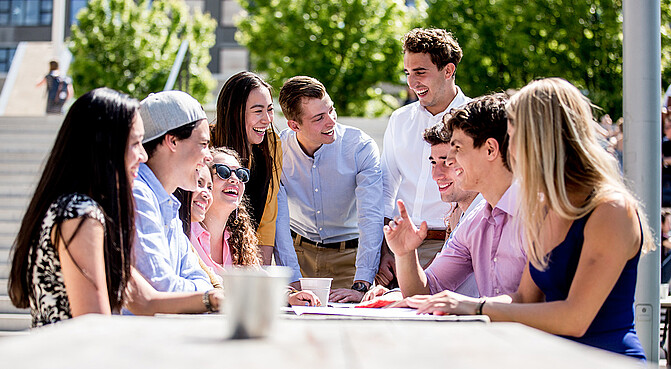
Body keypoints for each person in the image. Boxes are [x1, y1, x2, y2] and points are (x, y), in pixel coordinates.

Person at [410, 78, 653, 361]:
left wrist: (475, 308)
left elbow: (576, 317)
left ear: (543, 138)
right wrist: (448, 304)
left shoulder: (610, 209)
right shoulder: (546, 209)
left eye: (514, 137)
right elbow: (524, 299)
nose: (508, 150)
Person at [8, 88, 221, 327]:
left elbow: (146, 301)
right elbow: (94, 324)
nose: (142, 155)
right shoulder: (80, 214)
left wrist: (214, 298)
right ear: (105, 146)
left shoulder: (91, 211)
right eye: (135, 143)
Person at [383, 94, 526, 300]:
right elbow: (426, 290)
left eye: (457, 148)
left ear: (490, 150)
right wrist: (405, 253)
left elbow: (534, 302)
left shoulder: (538, 213)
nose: (451, 161)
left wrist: (468, 306)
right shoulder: (474, 221)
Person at [275, 76, 383, 302]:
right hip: (297, 256)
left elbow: (370, 216)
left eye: (331, 110)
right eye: (319, 118)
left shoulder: (359, 147)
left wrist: (362, 283)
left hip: (349, 260)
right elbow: (277, 219)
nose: (331, 121)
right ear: (294, 125)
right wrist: (292, 281)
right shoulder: (277, 150)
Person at [379, 28, 471, 286]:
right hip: (401, 247)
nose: (412, 83)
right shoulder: (399, 119)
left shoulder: (475, 120)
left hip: (457, 246)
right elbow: (386, 187)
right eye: (407, 73)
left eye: (420, 72)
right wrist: (386, 249)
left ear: (448, 71)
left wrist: (453, 249)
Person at [361, 119, 484, 303]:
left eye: (448, 162)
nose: (436, 175)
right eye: (433, 163)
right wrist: (404, 253)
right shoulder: (460, 215)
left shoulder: (486, 212)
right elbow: (430, 286)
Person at [180, 147, 320, 306]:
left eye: (241, 174)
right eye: (223, 172)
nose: (234, 179)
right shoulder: (183, 233)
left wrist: (290, 296)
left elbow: (261, 283)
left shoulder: (239, 240)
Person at [133, 90, 214, 293]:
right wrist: (203, 293)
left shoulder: (167, 201)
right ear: (173, 141)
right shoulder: (137, 195)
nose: (208, 157)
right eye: (203, 144)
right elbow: (160, 288)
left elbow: (200, 278)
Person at [212, 71, 280, 265]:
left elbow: (268, 216)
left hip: (247, 252)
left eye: (270, 109)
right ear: (234, 112)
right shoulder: (208, 144)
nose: (267, 119)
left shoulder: (273, 146)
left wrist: (260, 272)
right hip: (207, 251)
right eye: (258, 111)